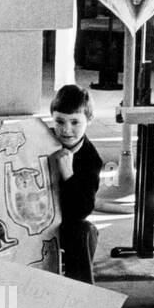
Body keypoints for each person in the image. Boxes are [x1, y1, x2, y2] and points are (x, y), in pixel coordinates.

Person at [48, 83, 102, 284]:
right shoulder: (40, 140)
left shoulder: (90, 158)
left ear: (89, 120)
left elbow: (82, 210)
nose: (66, 129)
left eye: (75, 122)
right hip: (32, 220)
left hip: (65, 223)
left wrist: (68, 174)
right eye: (59, 121)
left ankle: (79, 296)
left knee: (86, 232)